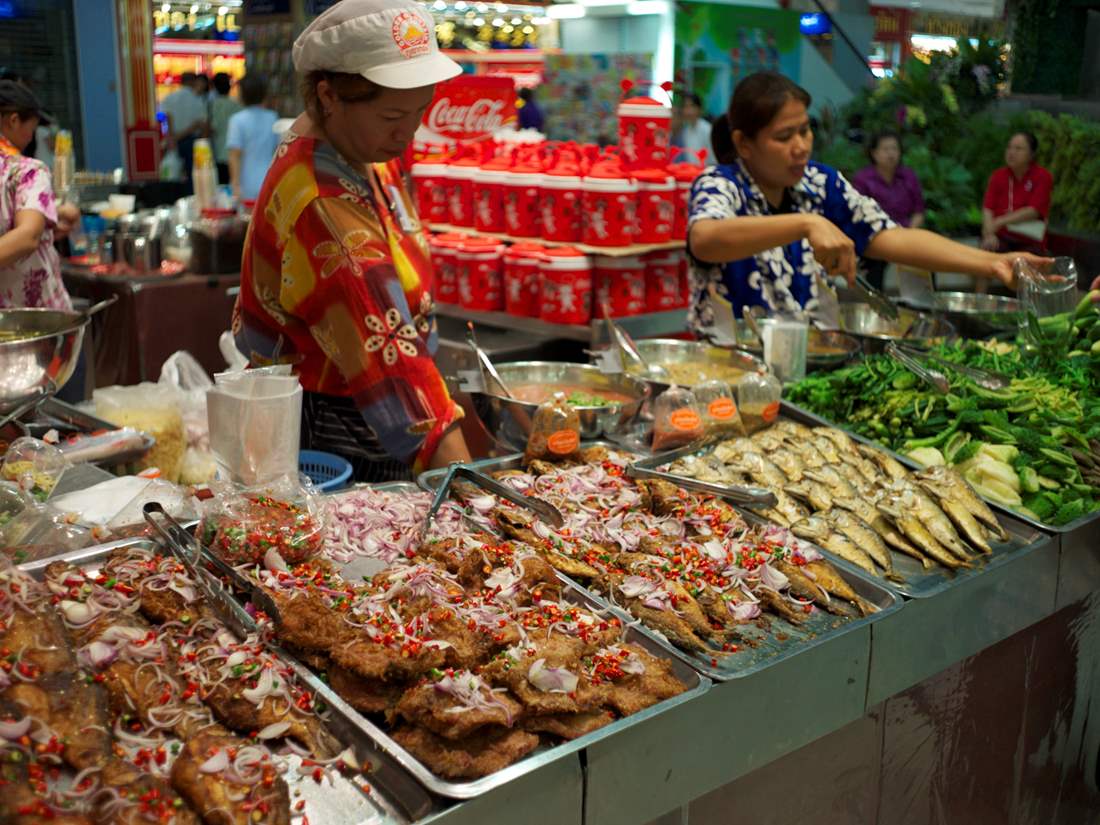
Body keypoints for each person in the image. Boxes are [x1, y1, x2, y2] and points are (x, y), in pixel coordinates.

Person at [233, 0, 472, 482]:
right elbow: (393, 366)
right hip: (348, 424)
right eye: (391, 117)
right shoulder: (323, 204)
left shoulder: (359, 148)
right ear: (329, 96)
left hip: (377, 404)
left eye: (419, 111)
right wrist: (474, 485)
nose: (407, 133)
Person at [687, 72, 1050, 328]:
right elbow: (705, 239)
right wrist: (807, 223)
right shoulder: (720, 184)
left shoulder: (820, 183)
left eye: (804, 130)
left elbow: (893, 237)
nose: (801, 146)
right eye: (784, 137)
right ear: (744, 144)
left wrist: (993, 263)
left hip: (807, 362)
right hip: (729, 373)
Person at [0, 80, 74, 310]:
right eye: (30, 130)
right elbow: (27, 236)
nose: (30, 138)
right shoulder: (26, 170)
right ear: (13, 120)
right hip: (36, 317)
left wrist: (50, 218)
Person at [852, 130, 925, 289]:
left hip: (906, 233)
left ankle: (921, 306)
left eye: (894, 149)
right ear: (874, 153)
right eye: (885, 149)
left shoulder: (908, 176)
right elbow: (859, 213)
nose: (891, 154)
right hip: (876, 237)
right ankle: (878, 309)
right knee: (875, 262)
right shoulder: (863, 179)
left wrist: (908, 233)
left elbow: (919, 211)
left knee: (927, 255)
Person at [981, 131, 1052, 254]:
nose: (1011, 152)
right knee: (989, 250)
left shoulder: (1043, 176)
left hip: (1029, 238)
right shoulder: (998, 176)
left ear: (1031, 154)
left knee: (1025, 263)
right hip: (1001, 236)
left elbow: (1033, 211)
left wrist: (999, 221)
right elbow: (988, 209)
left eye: (1018, 148)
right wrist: (989, 234)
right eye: (1009, 147)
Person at [226, 75, 279, 203]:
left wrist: (235, 184)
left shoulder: (237, 120)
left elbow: (234, 155)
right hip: (269, 180)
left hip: (245, 182)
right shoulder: (273, 117)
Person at [160, 72, 208, 183]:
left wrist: (171, 137)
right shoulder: (198, 100)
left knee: (174, 174)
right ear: (193, 82)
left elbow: (166, 118)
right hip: (192, 141)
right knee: (193, 175)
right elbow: (201, 123)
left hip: (174, 141)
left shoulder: (169, 98)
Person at [209, 72, 242, 185]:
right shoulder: (237, 104)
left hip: (219, 152)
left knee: (222, 186)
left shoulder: (213, 105)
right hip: (237, 153)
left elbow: (213, 128)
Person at [676, 92, 713, 164]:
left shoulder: (707, 129)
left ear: (699, 109)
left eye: (691, 106)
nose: (688, 111)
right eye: (685, 107)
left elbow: (712, 158)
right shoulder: (686, 130)